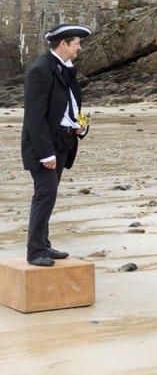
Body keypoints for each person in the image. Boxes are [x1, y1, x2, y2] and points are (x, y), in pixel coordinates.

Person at [21, 24, 91, 266]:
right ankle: (35, 252)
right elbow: (34, 116)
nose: (79, 48)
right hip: (44, 146)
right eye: (76, 43)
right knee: (45, 194)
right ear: (63, 44)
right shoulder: (40, 69)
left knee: (49, 195)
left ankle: (45, 245)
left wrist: (80, 126)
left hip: (63, 140)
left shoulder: (67, 70)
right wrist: (45, 153)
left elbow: (71, 106)